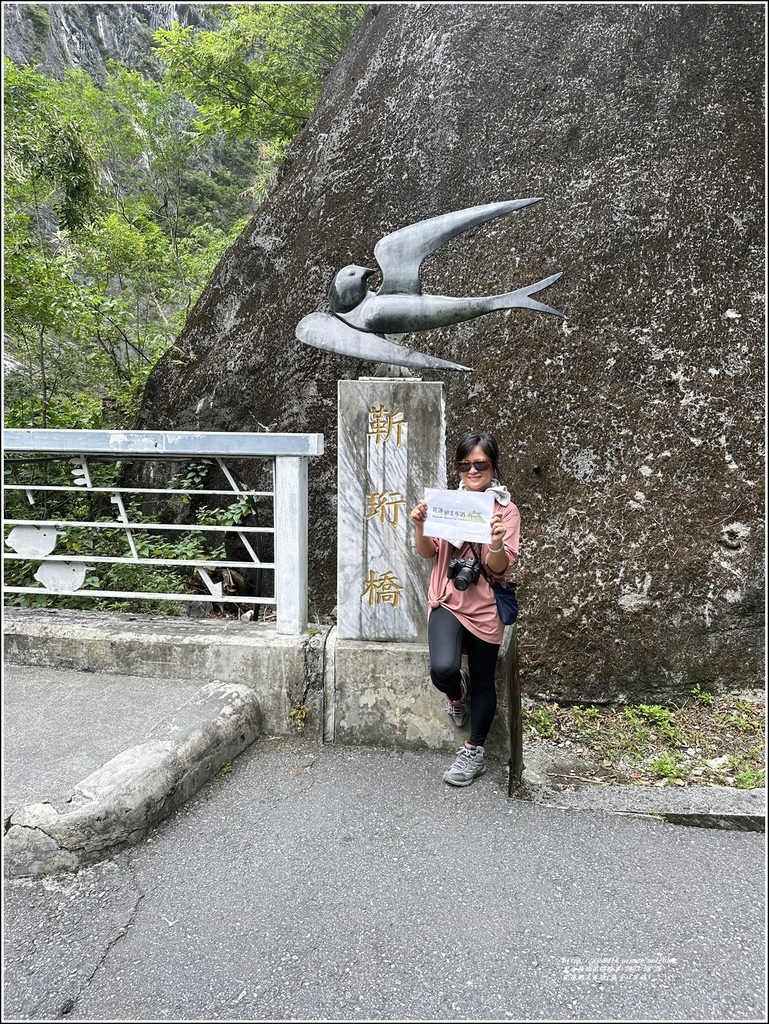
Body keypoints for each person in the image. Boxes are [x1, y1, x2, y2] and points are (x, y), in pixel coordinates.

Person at [410, 432, 520, 787]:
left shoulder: (506, 510)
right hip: (448, 598)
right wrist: (420, 526)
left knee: (484, 679)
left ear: (493, 465)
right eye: (464, 464)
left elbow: (499, 567)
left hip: (485, 606)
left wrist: (496, 542)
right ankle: (456, 694)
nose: (472, 470)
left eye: (480, 464)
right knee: (442, 669)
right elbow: (428, 552)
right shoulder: (446, 503)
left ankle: (474, 750)